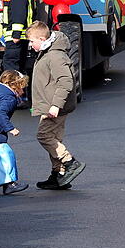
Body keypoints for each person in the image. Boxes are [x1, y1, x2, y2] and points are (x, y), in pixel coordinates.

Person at [28, 21, 84, 189]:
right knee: (54, 139)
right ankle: (58, 174)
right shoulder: (47, 52)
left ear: (42, 38)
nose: (30, 45)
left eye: (32, 41)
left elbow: (66, 81)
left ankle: (69, 162)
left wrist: (55, 105)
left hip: (54, 106)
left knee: (44, 136)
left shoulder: (55, 55)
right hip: (50, 104)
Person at [0, 0, 36, 75]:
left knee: (10, 66)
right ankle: (21, 90)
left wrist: (16, 34)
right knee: (20, 67)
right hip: (22, 35)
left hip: (15, 37)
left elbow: (19, 13)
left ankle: (12, 89)